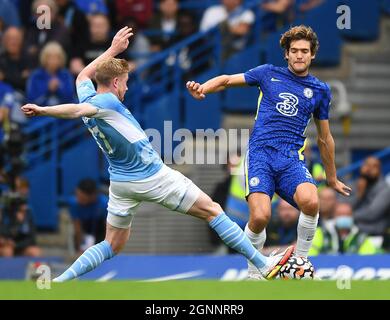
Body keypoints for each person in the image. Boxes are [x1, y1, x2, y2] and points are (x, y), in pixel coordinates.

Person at [21, 26, 294, 282]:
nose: (127, 88)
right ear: (115, 82)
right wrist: (45, 111)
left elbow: (82, 77)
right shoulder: (105, 102)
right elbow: (77, 111)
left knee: (111, 244)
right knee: (213, 210)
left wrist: (113, 50)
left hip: (121, 183)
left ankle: (58, 281)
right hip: (152, 176)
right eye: (125, 82)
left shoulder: (88, 94)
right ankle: (264, 264)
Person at [187, 25, 351, 279]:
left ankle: (301, 261)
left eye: (304, 51)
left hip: (290, 159)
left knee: (311, 200)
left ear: (313, 55)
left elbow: (324, 137)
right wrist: (203, 89)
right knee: (261, 217)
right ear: (286, 54)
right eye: (294, 50)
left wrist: (331, 177)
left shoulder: (320, 91)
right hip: (260, 155)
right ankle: (254, 272)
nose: (299, 55)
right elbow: (228, 80)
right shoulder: (267, 74)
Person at [309, 202, 379, 255]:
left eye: (347, 214)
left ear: (352, 216)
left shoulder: (361, 237)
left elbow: (368, 259)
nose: (344, 217)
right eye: (340, 215)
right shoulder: (320, 233)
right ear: (334, 216)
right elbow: (311, 255)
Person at [351, 156, 390, 245]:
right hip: (355, 233)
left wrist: (350, 216)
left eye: (374, 166)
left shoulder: (385, 189)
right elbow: (346, 206)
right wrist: (359, 196)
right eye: (367, 165)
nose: (369, 169)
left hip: (375, 237)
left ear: (379, 170)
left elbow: (372, 213)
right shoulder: (356, 184)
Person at [67, 179, 108, 254]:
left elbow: (108, 228)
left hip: (100, 228)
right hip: (83, 227)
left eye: (82, 198)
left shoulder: (104, 203)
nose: (78, 199)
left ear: (93, 196)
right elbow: (77, 228)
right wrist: (80, 247)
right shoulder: (74, 203)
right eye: (77, 195)